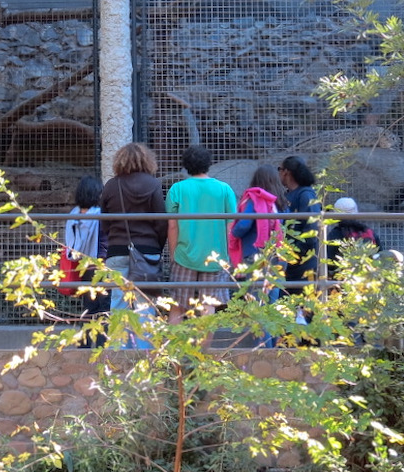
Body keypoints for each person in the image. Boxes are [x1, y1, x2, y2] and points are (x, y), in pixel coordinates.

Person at [100, 142, 167, 347]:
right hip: (147, 251)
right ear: (147, 161)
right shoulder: (153, 184)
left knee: (118, 302)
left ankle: (117, 355)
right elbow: (161, 221)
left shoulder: (111, 186)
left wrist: (114, 239)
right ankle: (143, 356)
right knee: (145, 304)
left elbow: (104, 221)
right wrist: (157, 247)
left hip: (117, 250)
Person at [165, 144, 239, 319]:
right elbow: (231, 225)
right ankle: (203, 347)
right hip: (215, 256)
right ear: (209, 164)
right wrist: (227, 254)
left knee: (178, 304)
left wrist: (173, 253)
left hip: (184, 254)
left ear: (186, 164)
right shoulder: (224, 189)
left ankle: (173, 346)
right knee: (208, 306)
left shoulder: (177, 189)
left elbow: (172, 225)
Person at [64, 175, 107, 342]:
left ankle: (86, 346)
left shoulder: (73, 215)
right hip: (100, 264)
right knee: (104, 306)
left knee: (89, 306)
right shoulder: (101, 215)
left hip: (82, 264)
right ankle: (103, 346)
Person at [278, 156, 321, 318]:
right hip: (290, 264)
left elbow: (312, 230)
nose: (279, 174)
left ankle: (309, 342)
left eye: (279, 169)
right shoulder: (290, 195)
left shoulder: (306, 195)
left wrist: (294, 254)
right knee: (287, 310)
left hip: (304, 264)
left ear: (286, 172)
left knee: (305, 311)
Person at [228, 165, 284, 272]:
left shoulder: (254, 199)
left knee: (254, 288)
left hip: (254, 252)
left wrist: (233, 234)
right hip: (277, 254)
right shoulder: (280, 201)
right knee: (272, 287)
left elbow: (244, 224)